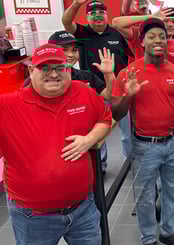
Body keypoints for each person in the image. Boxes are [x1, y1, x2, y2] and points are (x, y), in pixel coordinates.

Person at [0, 44, 112, 245]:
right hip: (33, 219)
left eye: (60, 68)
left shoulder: (83, 92)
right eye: (45, 68)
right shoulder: (7, 106)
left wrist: (89, 139)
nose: (54, 74)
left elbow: (104, 119)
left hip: (83, 209)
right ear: (31, 70)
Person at [111, 18, 174, 245]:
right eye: (152, 36)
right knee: (145, 197)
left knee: (172, 191)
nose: (158, 40)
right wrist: (129, 95)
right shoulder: (129, 73)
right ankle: (148, 239)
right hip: (144, 146)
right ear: (142, 42)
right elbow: (116, 115)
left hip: (173, 143)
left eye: (162, 36)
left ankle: (168, 232)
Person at [62, 0, 133, 163]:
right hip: (93, 91)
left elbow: (129, 57)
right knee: (96, 130)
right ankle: (100, 165)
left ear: (106, 15)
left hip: (118, 91)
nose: (97, 16)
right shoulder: (82, 33)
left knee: (127, 132)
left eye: (101, 12)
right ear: (87, 18)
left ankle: (130, 161)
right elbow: (66, 21)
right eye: (92, 13)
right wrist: (76, 4)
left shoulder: (116, 33)